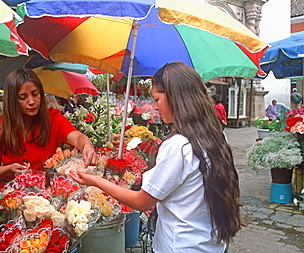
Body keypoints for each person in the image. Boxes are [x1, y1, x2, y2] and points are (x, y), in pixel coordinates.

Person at [69, 62, 242, 252]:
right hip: (210, 243)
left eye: (157, 99)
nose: (154, 106)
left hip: (181, 245)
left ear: (176, 98)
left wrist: (95, 181)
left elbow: (140, 202)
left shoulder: (179, 145)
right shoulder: (214, 135)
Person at [0, 68, 97, 186]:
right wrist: (9, 169)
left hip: (44, 196)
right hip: (9, 196)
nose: (32, 101)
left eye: (35, 94)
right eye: (23, 97)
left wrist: (87, 146)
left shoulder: (53, 119)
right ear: (12, 100)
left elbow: (77, 137)